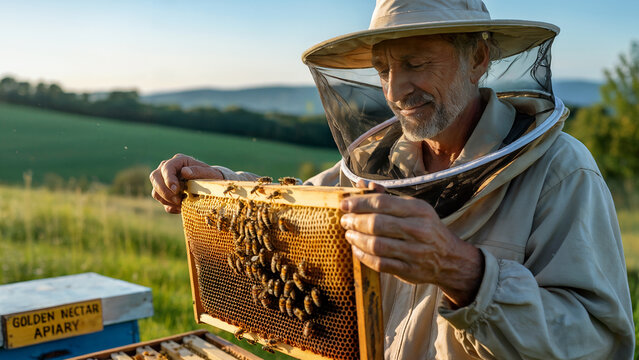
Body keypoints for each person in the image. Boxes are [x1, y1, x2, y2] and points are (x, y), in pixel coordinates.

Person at [150, 0, 634, 358]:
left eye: (417, 64)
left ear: (479, 59)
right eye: (384, 69)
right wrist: (217, 185)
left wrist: (464, 272)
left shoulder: (561, 172)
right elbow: (298, 213)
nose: (396, 90)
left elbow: (600, 342)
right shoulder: (379, 164)